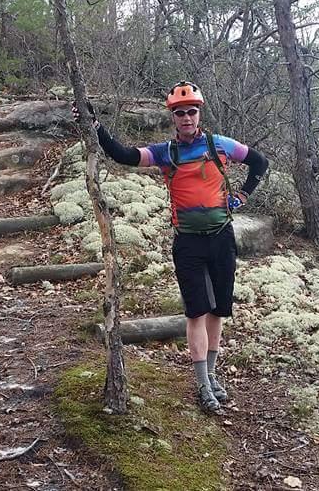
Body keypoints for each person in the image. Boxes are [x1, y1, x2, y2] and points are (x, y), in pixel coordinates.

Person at [72, 81, 269, 412]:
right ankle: (203, 384)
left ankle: (213, 375)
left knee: (218, 310)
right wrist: (95, 126)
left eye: (191, 111)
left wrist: (243, 196)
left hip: (222, 238)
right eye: (180, 113)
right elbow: (124, 155)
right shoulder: (166, 152)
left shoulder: (220, 145)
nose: (186, 118)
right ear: (173, 117)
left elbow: (260, 162)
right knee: (196, 312)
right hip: (188, 243)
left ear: (199, 113)